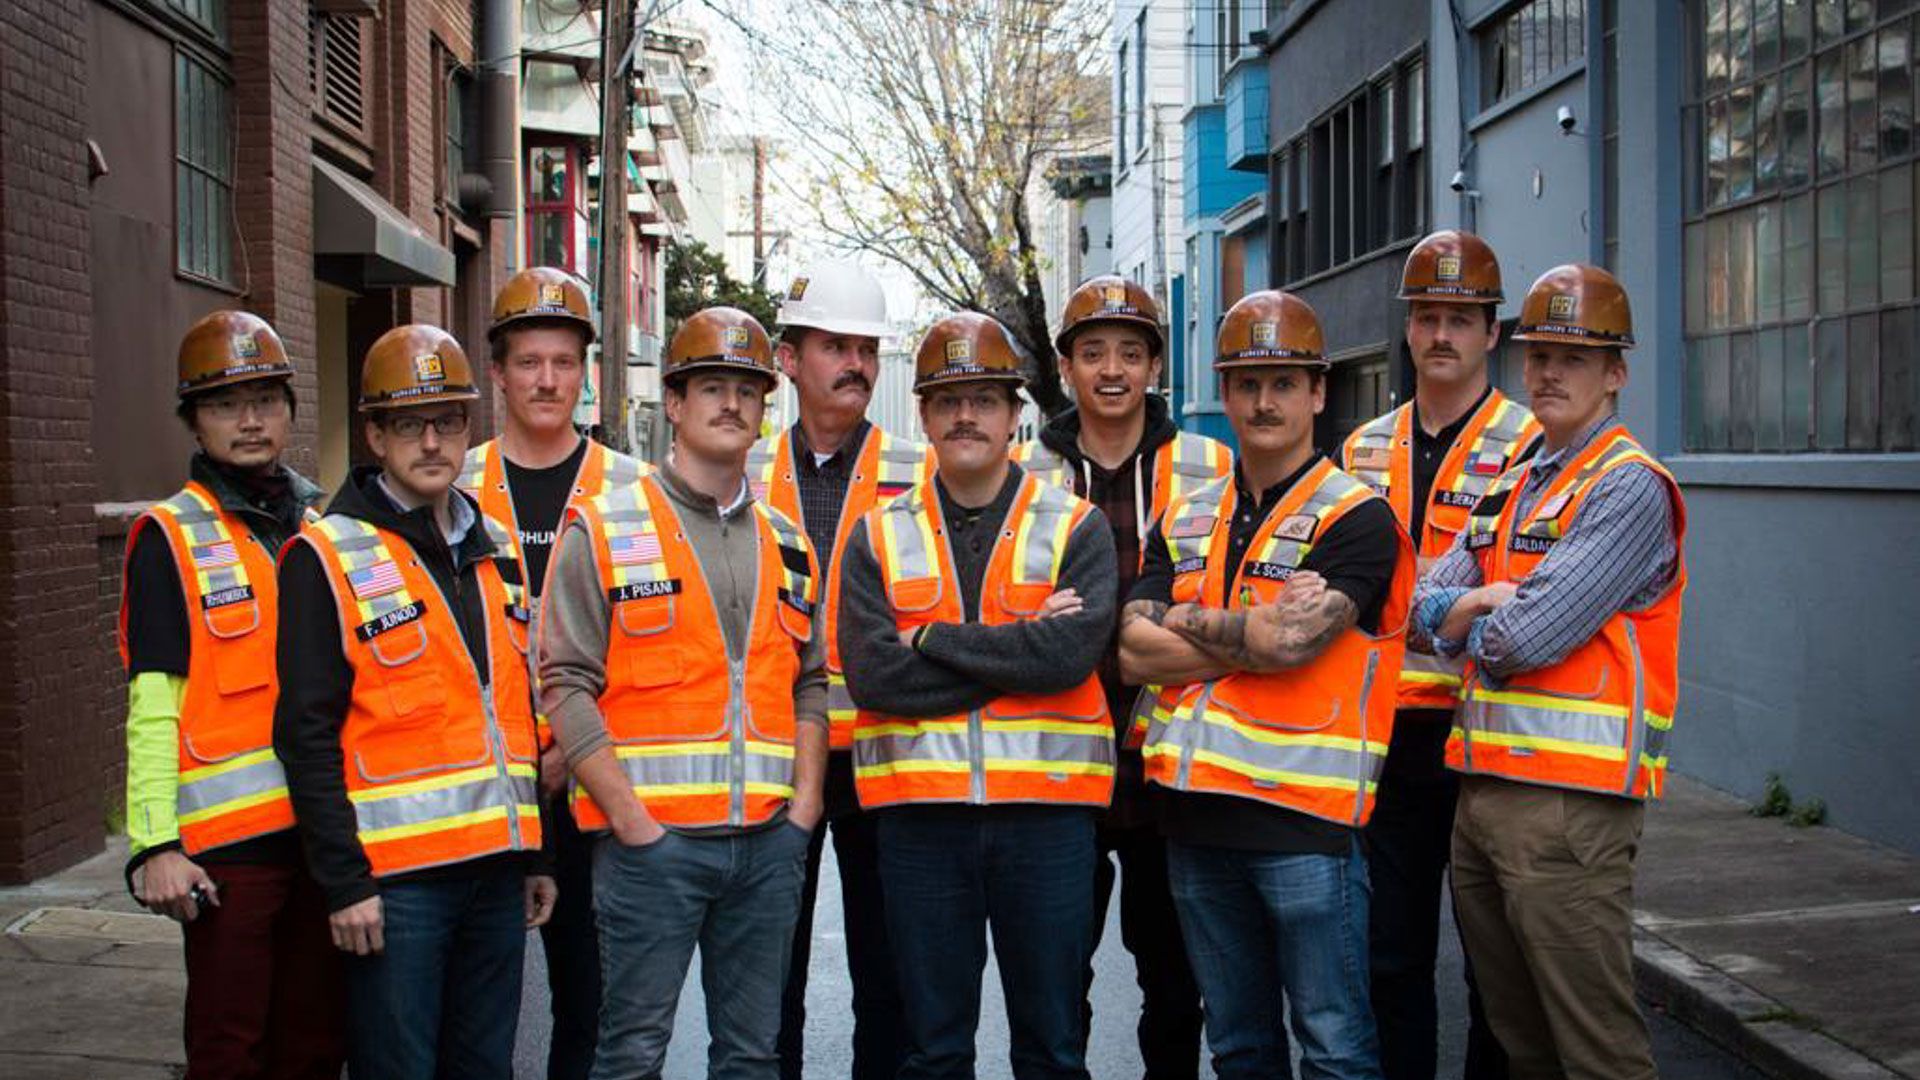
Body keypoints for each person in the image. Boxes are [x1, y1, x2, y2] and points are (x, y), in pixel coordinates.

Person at [1118, 289, 1415, 1080]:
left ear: (1318, 391)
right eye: (1247, 382)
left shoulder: (1357, 516)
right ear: (1225, 391)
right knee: (1240, 1049)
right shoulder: (1186, 513)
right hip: (1194, 825)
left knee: (1334, 1051)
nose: (1263, 400)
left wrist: (1192, 622)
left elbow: (1293, 644)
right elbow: (1130, 653)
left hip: (1303, 829)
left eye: (1284, 381)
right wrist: (1247, 631)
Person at [1412, 264, 1686, 1080]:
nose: (1550, 374)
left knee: (1595, 1049)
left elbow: (1525, 639)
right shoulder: (1514, 480)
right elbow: (1420, 610)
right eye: (1539, 357)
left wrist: (1473, 617)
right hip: (1484, 792)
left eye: (1574, 358)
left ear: (1616, 374)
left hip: (1572, 807)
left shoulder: (1628, 487)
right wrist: (1470, 610)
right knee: (1520, 1041)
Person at [539, 307, 826, 1080]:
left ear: (765, 407)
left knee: (752, 1057)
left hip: (767, 847)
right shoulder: (603, 527)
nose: (730, 403)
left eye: (746, 389)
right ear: (673, 402)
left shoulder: (789, 544)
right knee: (631, 1054)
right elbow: (565, 683)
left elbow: (811, 685)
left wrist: (801, 812)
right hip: (649, 852)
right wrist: (632, 824)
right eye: (710, 386)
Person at [838, 312, 1119, 1080]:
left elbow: (1067, 656)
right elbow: (873, 676)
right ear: (923, 414)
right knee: (933, 1051)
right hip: (919, 825)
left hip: (1049, 822)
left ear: (1014, 414)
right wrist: (1017, 643)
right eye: (949, 399)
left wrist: (928, 639)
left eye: (986, 399)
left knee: (1053, 1047)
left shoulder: (1076, 526)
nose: (967, 414)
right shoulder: (875, 535)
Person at [274, 324, 555, 1079]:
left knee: (483, 1067)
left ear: (469, 427)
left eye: (448, 421)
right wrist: (344, 884)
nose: (432, 442)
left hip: (495, 874)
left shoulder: (492, 545)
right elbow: (304, 735)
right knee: (396, 1067)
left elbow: (515, 714)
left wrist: (534, 854)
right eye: (409, 423)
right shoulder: (325, 554)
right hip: (395, 890)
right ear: (374, 432)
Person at [1012, 274, 1227, 1079]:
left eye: (1130, 353)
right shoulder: (1023, 469)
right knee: (1058, 979)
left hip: (1170, 762)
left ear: (1154, 367)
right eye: (1093, 351)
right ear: (1066, 367)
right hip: (1059, 760)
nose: (1112, 370)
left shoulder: (1205, 464)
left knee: (1174, 982)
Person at [119, 310, 343, 1078]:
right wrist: (155, 846)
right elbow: (154, 703)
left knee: (314, 1045)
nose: (248, 421)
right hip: (228, 856)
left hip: (322, 840)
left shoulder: (319, 528)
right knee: (228, 1049)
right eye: (224, 405)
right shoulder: (169, 536)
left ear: (288, 408)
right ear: (194, 421)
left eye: (265, 400)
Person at [1340, 230, 1536, 1080]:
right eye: (1428, 316)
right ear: (1409, 330)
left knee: (1497, 963)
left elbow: (1527, 597)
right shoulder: (1361, 449)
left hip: (1485, 727)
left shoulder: (1534, 445)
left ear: (1492, 332)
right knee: (1391, 954)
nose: (1443, 333)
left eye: (1462, 316)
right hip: (1390, 734)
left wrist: (1447, 616)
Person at [458, 266, 647, 1080]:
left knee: (594, 1007)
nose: (546, 380)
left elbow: (652, 640)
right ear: (496, 371)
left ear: (586, 372)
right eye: (528, 361)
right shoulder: (453, 484)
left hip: (592, 782)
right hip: (484, 786)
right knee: (476, 1014)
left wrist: (573, 740)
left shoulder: (636, 492)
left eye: (563, 362)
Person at [750, 261, 924, 1080]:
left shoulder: (919, 474)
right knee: (768, 972)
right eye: (833, 346)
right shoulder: (743, 473)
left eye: (866, 348)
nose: (854, 363)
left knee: (887, 977)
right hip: (779, 756)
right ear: (789, 360)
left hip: (887, 756)